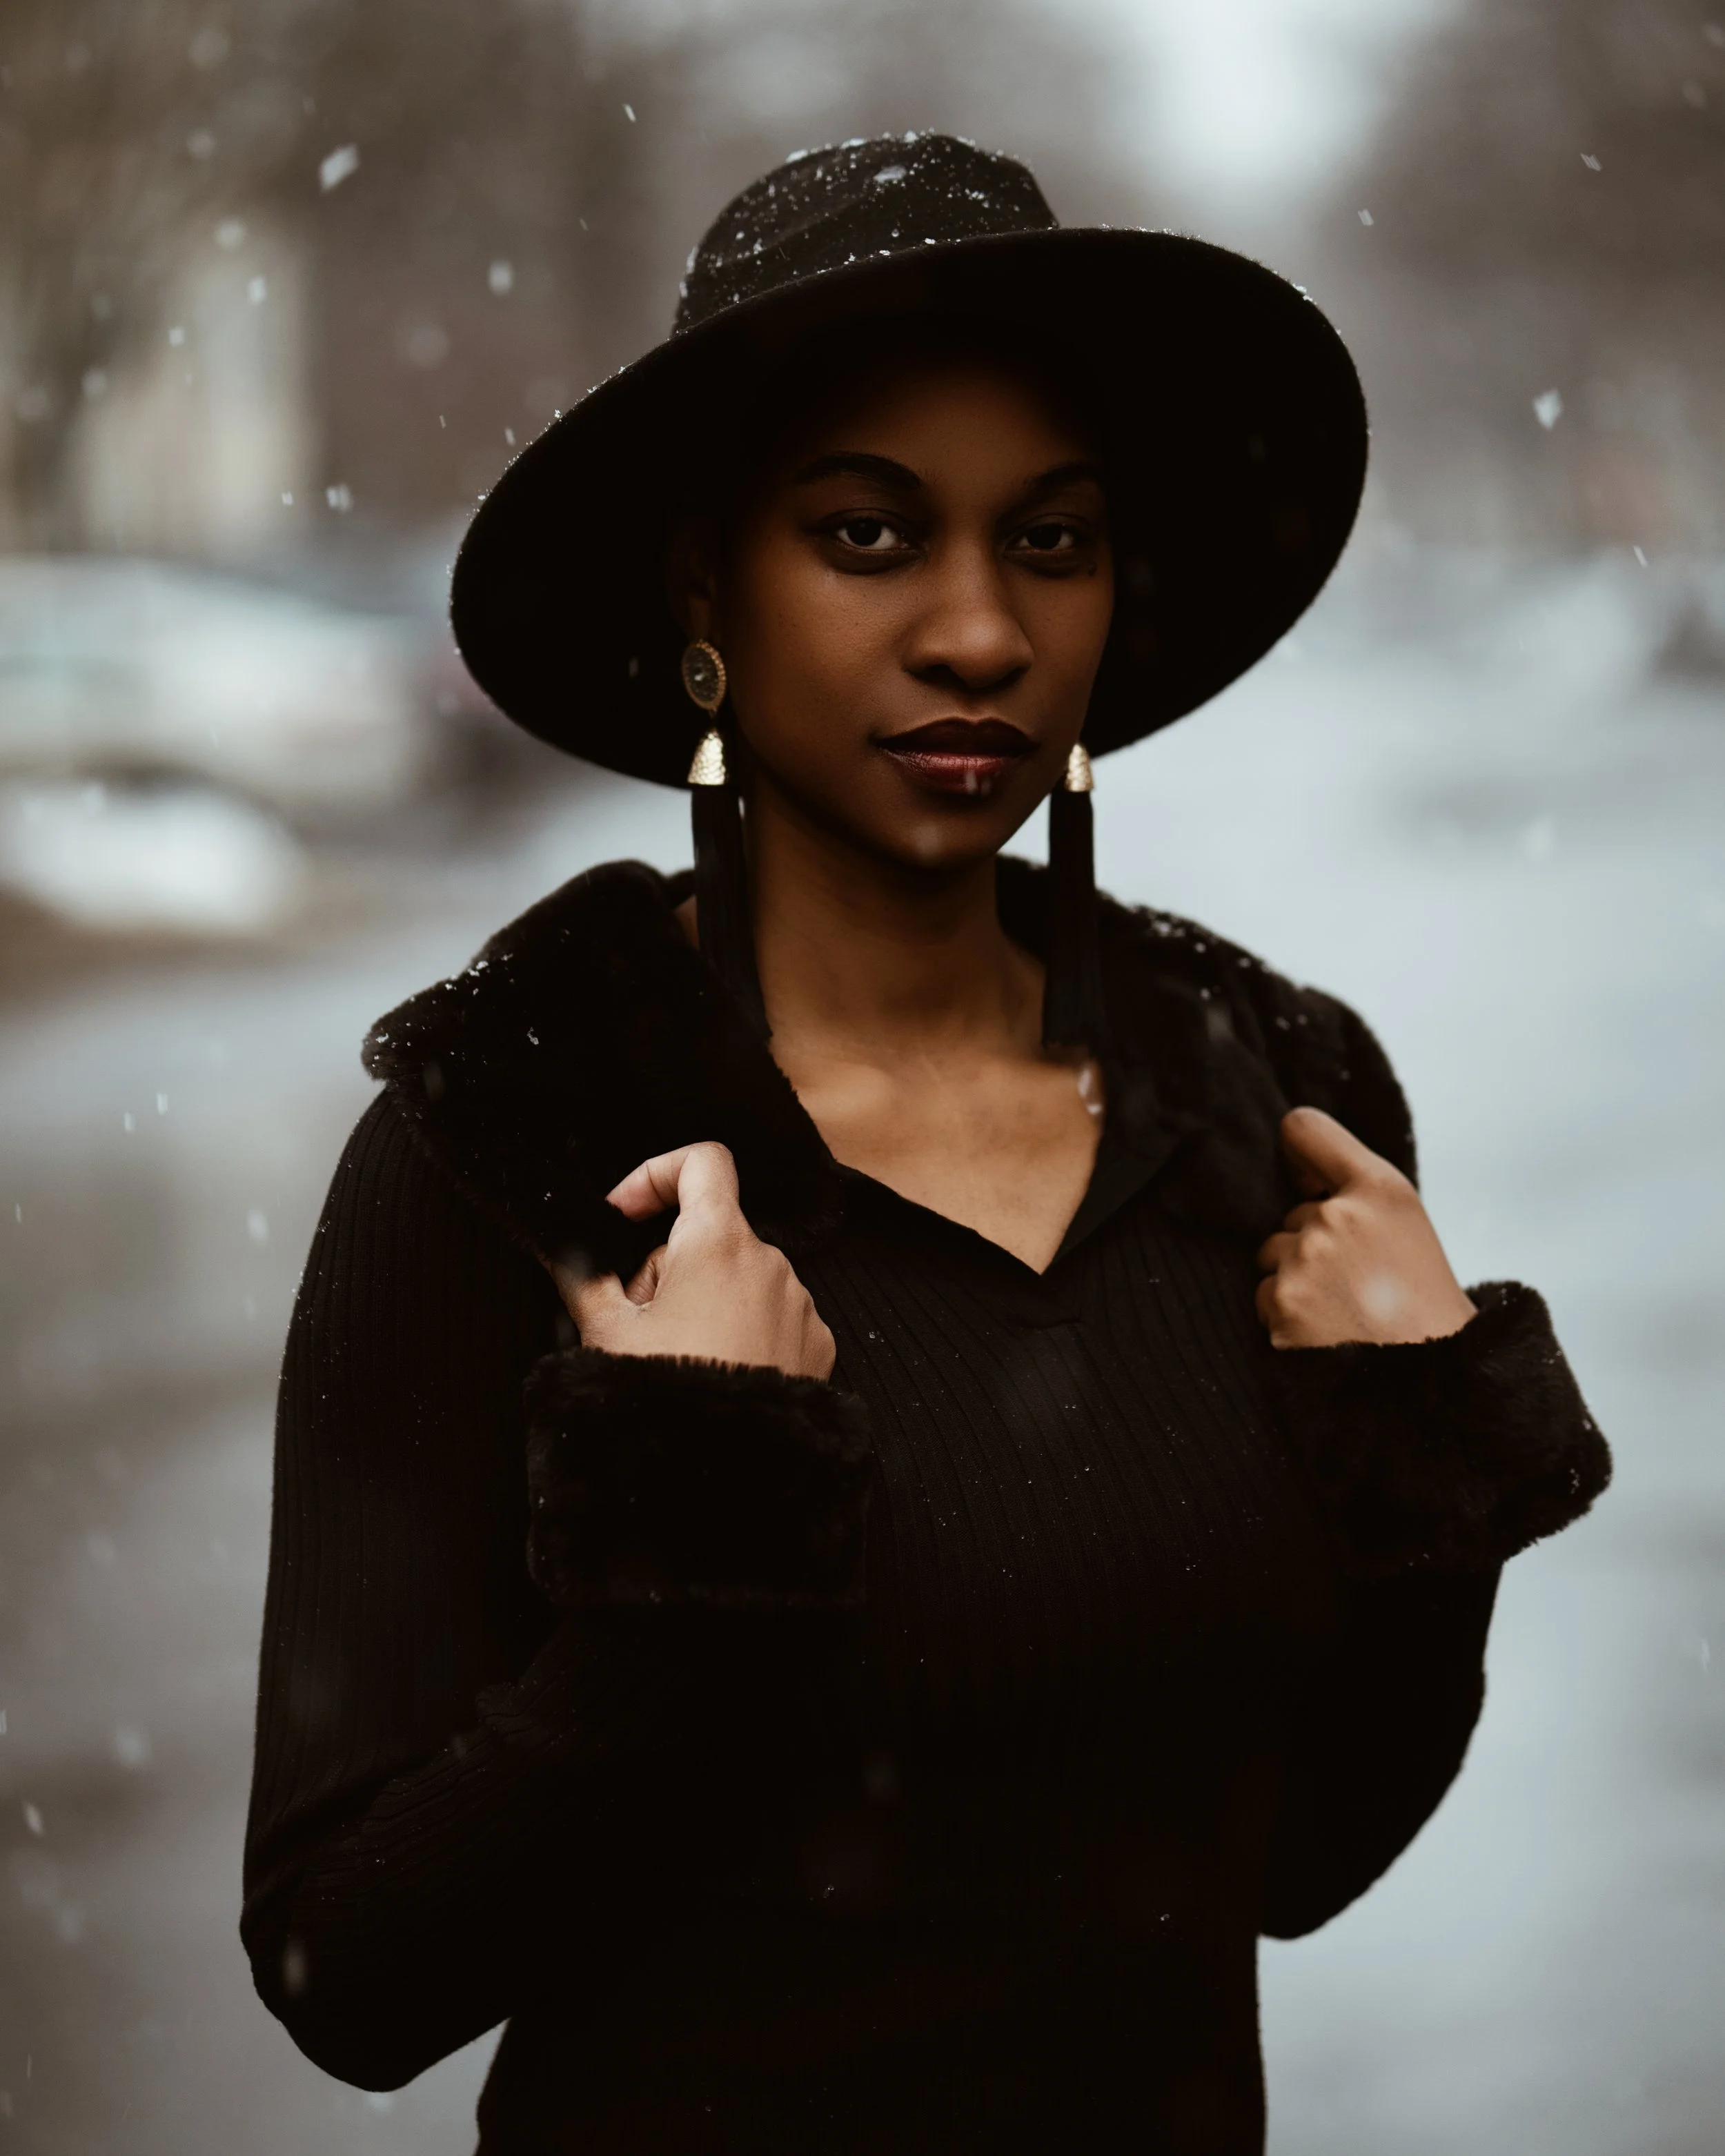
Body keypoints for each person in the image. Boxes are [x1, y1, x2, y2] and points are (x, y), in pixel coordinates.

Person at [242, 135, 1610, 2153]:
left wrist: (1424, 1463)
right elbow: (350, 1973)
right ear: (706, 583)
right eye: (869, 537)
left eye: (1049, 543)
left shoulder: (1266, 1104)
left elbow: (1301, 1849)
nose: (978, 633)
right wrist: (685, 1548)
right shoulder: (515, 1139)